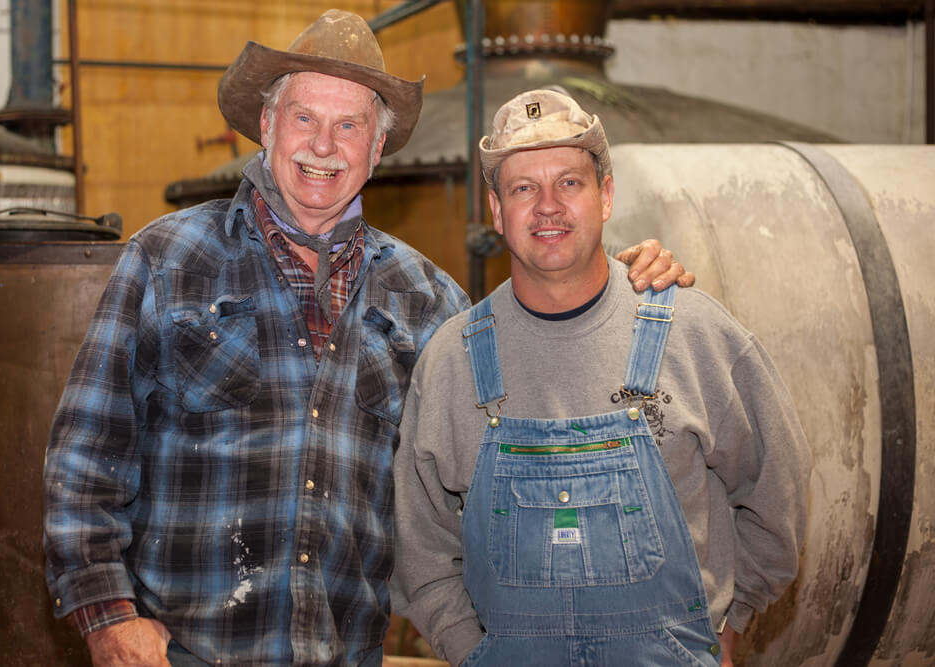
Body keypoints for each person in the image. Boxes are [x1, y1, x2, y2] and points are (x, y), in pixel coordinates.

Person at [42, 11, 692, 667]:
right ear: (267, 126)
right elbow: (85, 461)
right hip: (181, 654)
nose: (323, 145)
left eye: (349, 125)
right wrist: (108, 618)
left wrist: (612, 283)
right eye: (304, 118)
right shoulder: (166, 260)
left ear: (375, 149)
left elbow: (508, 476)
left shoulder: (431, 302)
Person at [390, 88, 811, 667]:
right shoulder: (451, 362)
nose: (547, 206)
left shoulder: (696, 335)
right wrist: (471, 651)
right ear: (496, 211)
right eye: (522, 188)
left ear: (605, 195)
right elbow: (421, 548)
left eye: (569, 182)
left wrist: (730, 625)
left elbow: (777, 496)